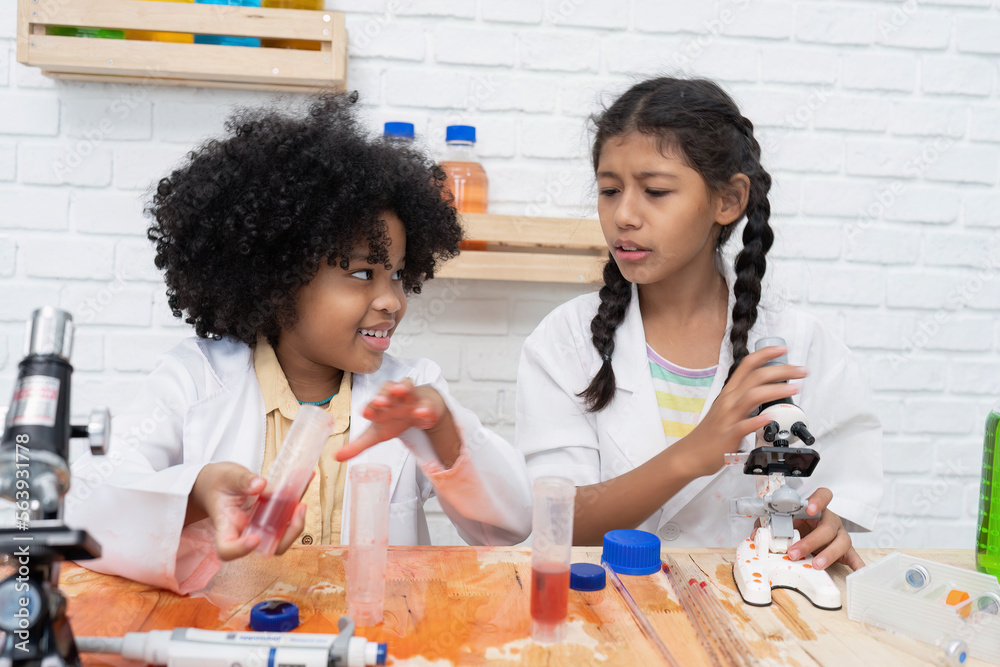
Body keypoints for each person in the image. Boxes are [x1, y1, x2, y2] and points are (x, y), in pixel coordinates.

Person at [65, 93, 531, 594]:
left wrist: (443, 434)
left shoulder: (412, 392)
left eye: (396, 275)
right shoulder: (194, 380)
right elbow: (87, 501)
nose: (391, 300)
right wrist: (198, 493)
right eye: (361, 273)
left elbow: (511, 525)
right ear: (279, 278)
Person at [515, 77, 881, 571]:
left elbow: (837, 505)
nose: (623, 214)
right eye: (609, 190)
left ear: (728, 201)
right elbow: (558, 521)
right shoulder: (564, 342)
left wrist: (823, 524)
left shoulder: (802, 346)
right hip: (605, 614)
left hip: (754, 622)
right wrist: (692, 454)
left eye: (656, 191)